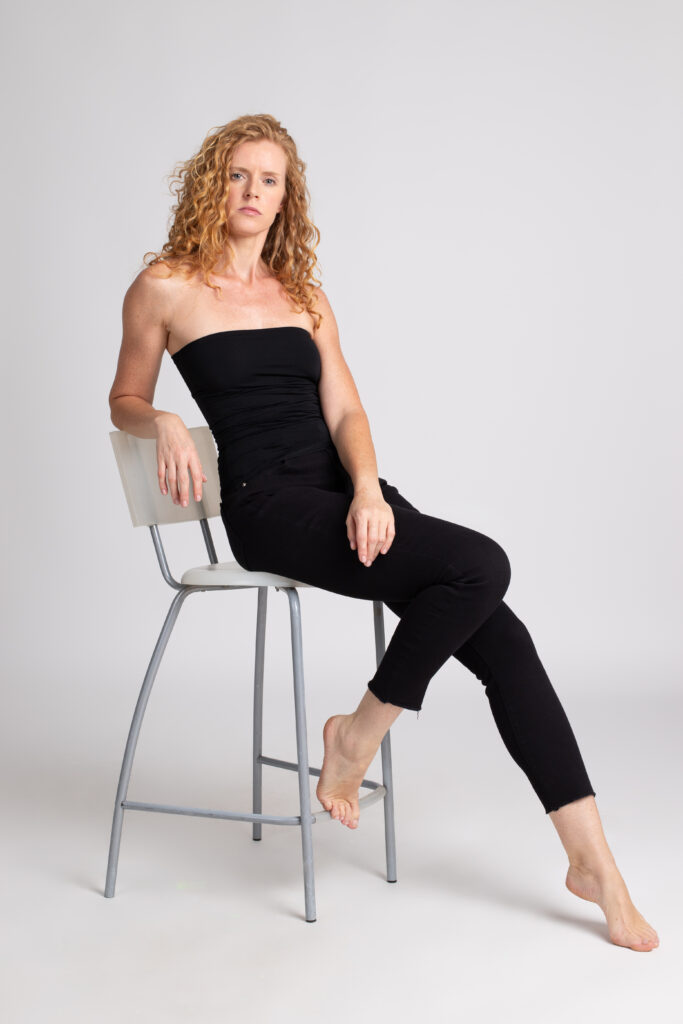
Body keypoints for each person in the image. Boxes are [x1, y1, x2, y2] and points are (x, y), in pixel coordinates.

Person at [108, 113, 659, 952]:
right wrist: (166, 422)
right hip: (264, 507)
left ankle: (593, 866)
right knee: (480, 565)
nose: (251, 191)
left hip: (343, 493)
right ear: (211, 185)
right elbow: (125, 398)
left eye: (269, 180)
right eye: (237, 175)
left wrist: (368, 489)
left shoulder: (304, 295)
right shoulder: (164, 287)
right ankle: (356, 735)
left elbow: (346, 412)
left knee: (503, 637)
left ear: (286, 198)